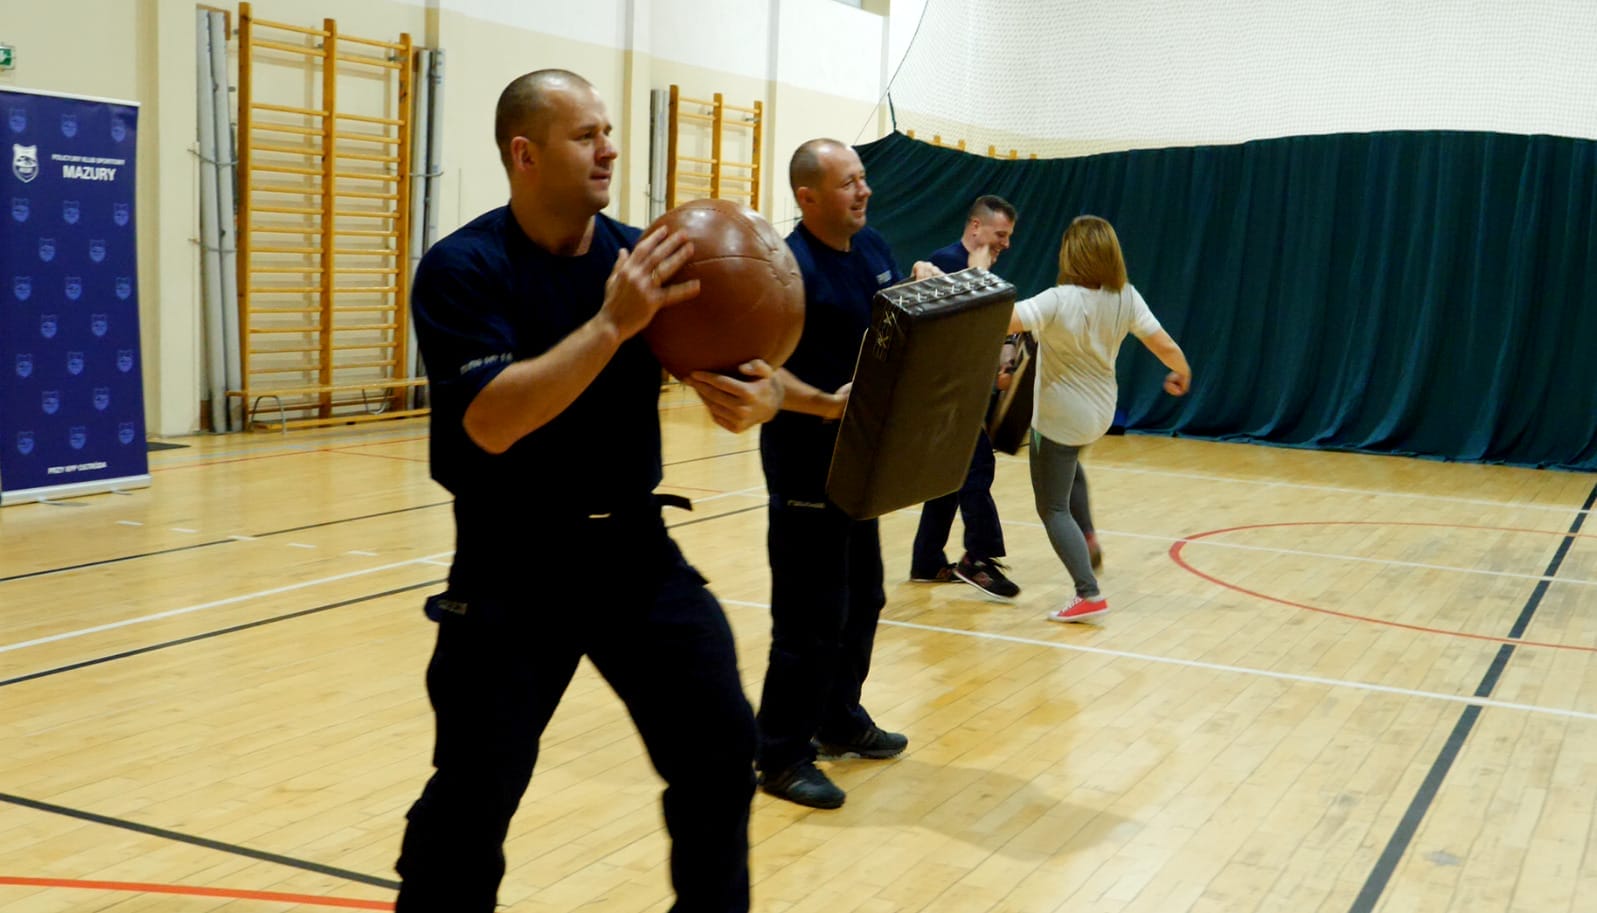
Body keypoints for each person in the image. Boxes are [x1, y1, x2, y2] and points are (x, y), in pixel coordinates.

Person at [395, 69, 783, 913]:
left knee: (720, 750)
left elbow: (748, 371)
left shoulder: (641, 257)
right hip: (511, 565)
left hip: (633, 553)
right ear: (524, 153)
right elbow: (492, 422)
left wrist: (766, 397)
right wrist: (612, 324)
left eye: (607, 131)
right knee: (475, 791)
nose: (608, 148)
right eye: (585, 135)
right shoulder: (463, 268)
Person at [754, 138, 934, 810]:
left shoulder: (876, 249)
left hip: (865, 462)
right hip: (804, 463)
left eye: (863, 180)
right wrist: (824, 404)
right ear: (807, 197)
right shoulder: (782, 268)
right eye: (848, 183)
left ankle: (837, 718)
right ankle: (779, 752)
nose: (863, 192)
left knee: (864, 598)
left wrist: (920, 297)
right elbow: (754, 367)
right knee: (808, 617)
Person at [1009, 214, 1191, 623]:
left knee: (1052, 508)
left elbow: (1006, 320)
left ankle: (1087, 592)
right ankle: (1087, 533)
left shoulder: (1057, 299)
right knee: (1069, 467)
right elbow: (1161, 343)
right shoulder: (1125, 296)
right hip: (1100, 413)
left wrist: (974, 285)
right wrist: (1182, 370)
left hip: (1059, 417)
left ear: (1070, 254)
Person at [908, 194, 1023, 598]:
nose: (1005, 243)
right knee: (976, 470)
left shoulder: (987, 269)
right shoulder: (943, 263)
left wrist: (1003, 364)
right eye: (1000, 234)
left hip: (966, 391)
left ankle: (926, 560)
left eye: (1009, 237)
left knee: (949, 479)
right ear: (975, 228)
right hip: (940, 394)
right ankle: (980, 558)